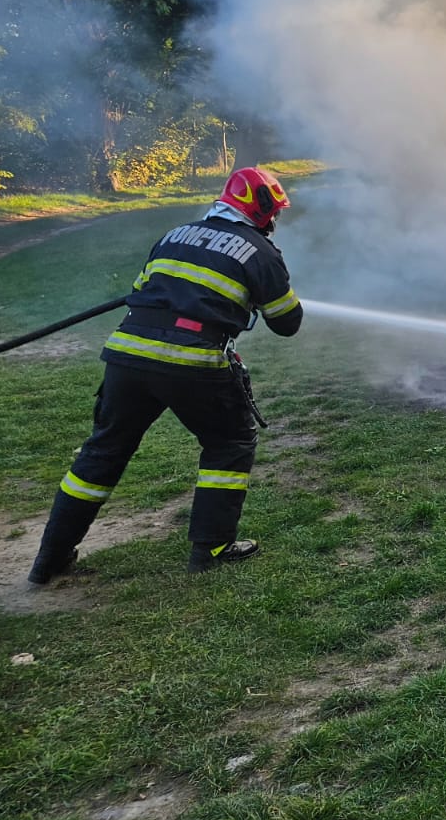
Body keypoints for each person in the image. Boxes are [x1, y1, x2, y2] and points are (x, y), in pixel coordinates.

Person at [27, 166, 303, 583]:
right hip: (191, 361)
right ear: (261, 211)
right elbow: (286, 322)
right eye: (274, 213)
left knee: (104, 451)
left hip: (128, 356)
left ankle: (50, 558)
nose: (275, 220)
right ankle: (211, 548)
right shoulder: (260, 252)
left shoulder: (174, 236)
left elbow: (143, 290)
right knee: (229, 443)